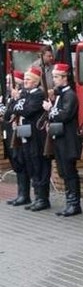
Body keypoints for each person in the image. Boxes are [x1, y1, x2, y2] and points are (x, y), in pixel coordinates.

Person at [43, 63, 82, 217]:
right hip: (60, 138)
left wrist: (50, 109)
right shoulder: (60, 95)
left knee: (70, 171)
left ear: (64, 78)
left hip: (68, 139)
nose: (53, 80)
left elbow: (65, 115)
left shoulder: (70, 95)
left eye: (55, 77)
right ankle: (69, 202)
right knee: (64, 172)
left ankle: (74, 204)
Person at [13, 67, 52, 211]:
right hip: (27, 135)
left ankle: (43, 198)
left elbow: (27, 111)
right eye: (25, 79)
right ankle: (37, 197)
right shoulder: (25, 94)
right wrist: (18, 103)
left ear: (36, 82)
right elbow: (13, 109)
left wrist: (19, 105)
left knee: (40, 165)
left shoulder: (38, 95)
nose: (25, 82)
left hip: (37, 136)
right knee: (31, 165)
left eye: (28, 79)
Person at [3, 71, 31, 206]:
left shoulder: (21, 96)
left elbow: (14, 111)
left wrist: (16, 99)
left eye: (10, 82)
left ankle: (24, 195)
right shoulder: (9, 97)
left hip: (18, 133)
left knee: (20, 161)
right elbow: (7, 114)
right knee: (15, 161)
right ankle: (20, 193)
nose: (7, 85)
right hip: (8, 132)